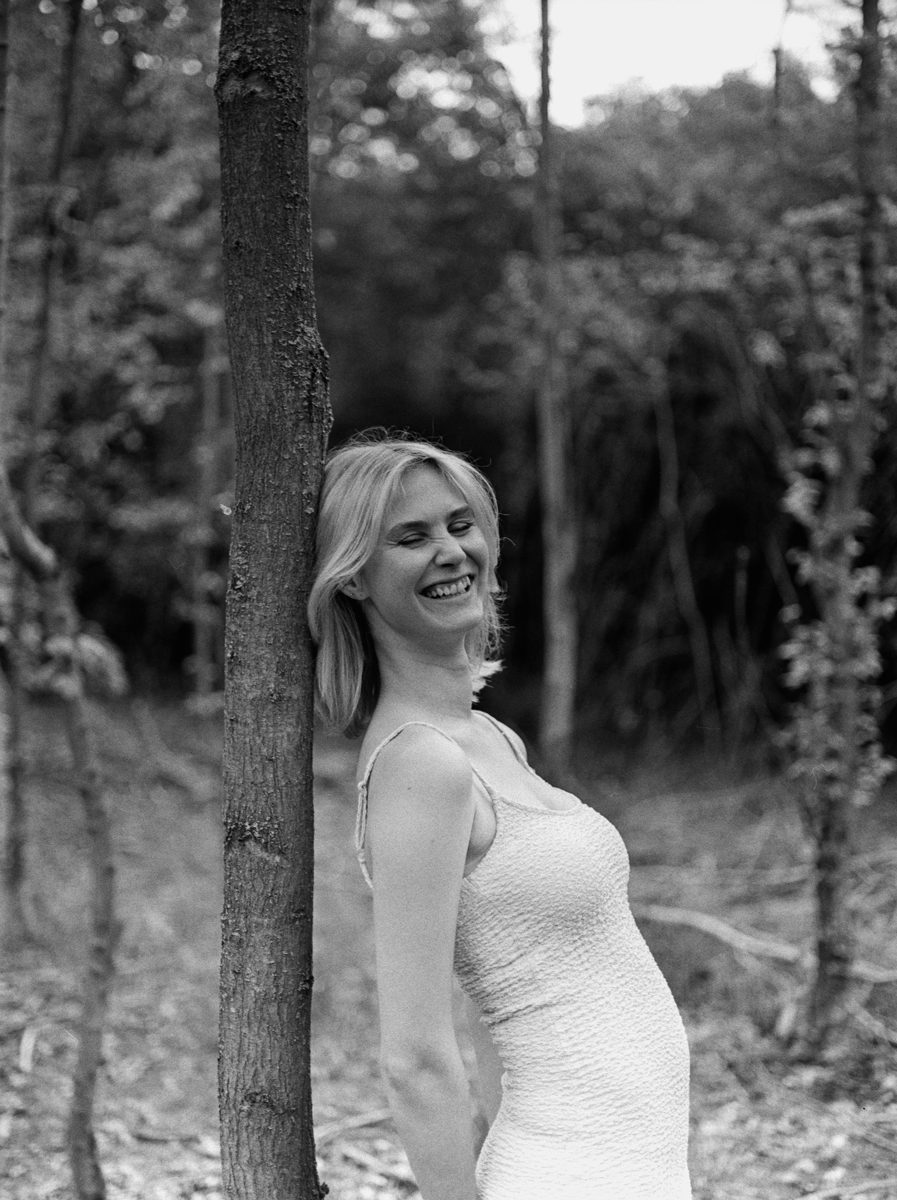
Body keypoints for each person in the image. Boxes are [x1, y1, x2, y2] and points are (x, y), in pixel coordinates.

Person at [308, 431, 692, 1200]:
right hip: (572, 1171)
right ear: (352, 578)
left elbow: (501, 999)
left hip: (624, 1164)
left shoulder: (488, 738)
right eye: (410, 538)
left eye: (459, 524)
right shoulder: (422, 764)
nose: (451, 552)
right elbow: (413, 1055)